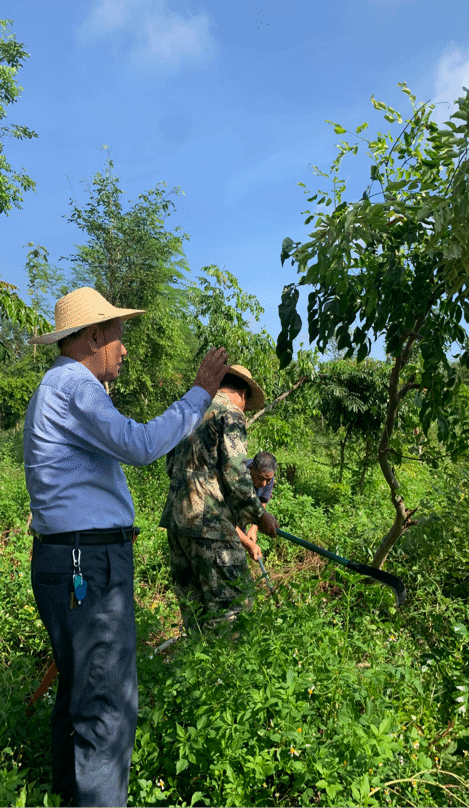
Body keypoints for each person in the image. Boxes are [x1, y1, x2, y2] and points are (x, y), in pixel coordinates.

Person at [24, 286, 229, 808]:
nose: (125, 348)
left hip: (67, 558)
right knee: (107, 708)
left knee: (79, 694)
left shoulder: (57, 387)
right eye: (118, 335)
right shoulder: (75, 384)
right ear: (93, 336)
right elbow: (140, 445)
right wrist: (199, 393)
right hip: (87, 563)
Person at [160, 366, 279, 627]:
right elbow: (236, 474)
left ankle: (197, 652)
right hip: (210, 526)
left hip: (177, 523)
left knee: (194, 610)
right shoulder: (230, 413)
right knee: (235, 608)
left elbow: (170, 464)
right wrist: (260, 515)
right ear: (243, 393)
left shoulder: (190, 409)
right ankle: (228, 654)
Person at [237, 451, 278, 550]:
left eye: (268, 480)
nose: (264, 484)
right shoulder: (238, 476)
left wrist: (254, 528)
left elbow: (263, 501)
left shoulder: (268, 477)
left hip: (242, 521)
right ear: (251, 468)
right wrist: (249, 544)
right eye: (260, 478)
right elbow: (227, 521)